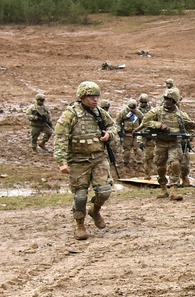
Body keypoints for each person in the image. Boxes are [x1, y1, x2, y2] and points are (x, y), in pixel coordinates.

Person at [53, 81, 119, 240]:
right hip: (77, 161)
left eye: (97, 96)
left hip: (98, 158)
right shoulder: (70, 115)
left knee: (104, 191)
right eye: (91, 97)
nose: (95, 100)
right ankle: (80, 225)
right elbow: (60, 139)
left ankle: (95, 210)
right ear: (82, 97)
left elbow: (113, 126)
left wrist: (109, 134)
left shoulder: (100, 113)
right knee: (80, 196)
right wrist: (61, 162)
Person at [136, 87, 195, 200]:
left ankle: (174, 189)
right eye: (165, 99)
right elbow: (145, 122)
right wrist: (159, 125)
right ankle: (163, 187)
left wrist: (190, 133)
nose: (167, 101)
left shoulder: (181, 115)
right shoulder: (156, 112)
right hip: (160, 144)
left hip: (174, 143)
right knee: (160, 167)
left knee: (175, 164)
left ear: (175, 101)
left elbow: (189, 129)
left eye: (169, 99)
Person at [119, 99, 143, 169]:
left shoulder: (138, 112)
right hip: (127, 134)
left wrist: (141, 130)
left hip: (136, 133)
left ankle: (139, 164)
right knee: (127, 149)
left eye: (134, 108)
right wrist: (119, 131)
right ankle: (125, 163)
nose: (132, 110)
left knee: (138, 149)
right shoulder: (123, 112)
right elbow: (118, 122)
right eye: (131, 108)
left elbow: (143, 121)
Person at [138, 94, 155, 179]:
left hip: (155, 138)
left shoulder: (152, 111)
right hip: (146, 138)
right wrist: (140, 141)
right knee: (147, 158)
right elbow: (140, 129)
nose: (142, 104)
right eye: (141, 102)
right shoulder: (136, 110)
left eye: (144, 102)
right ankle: (147, 174)